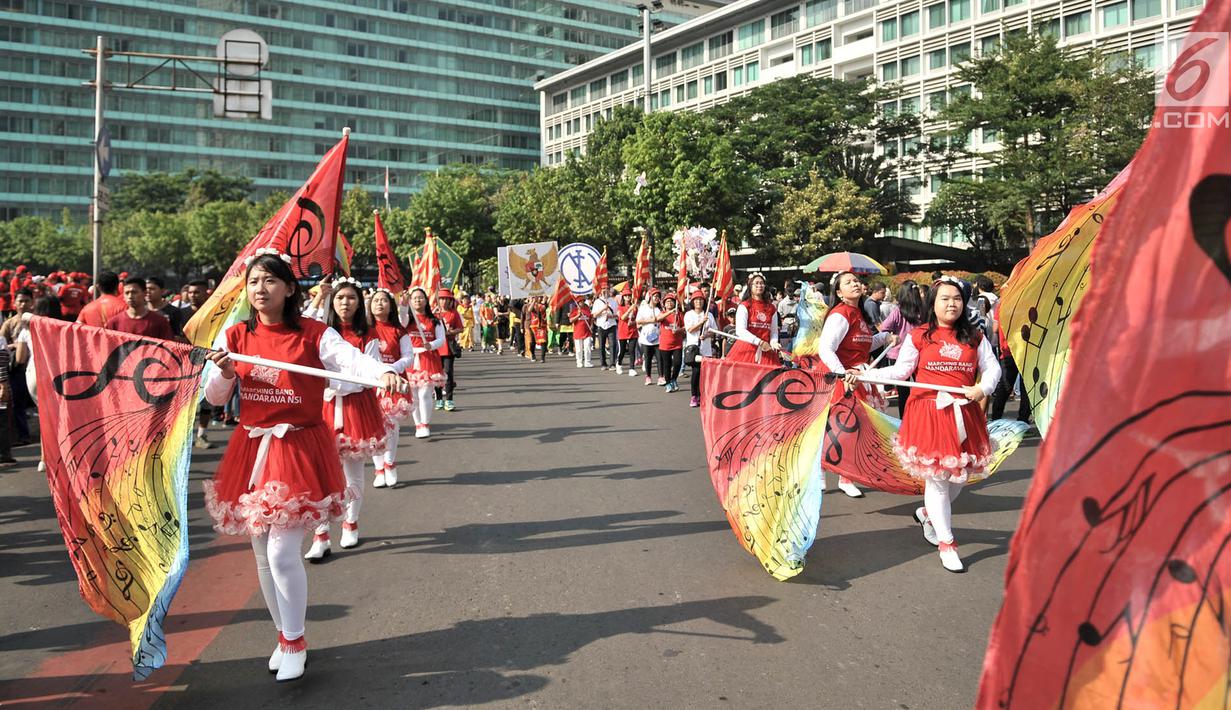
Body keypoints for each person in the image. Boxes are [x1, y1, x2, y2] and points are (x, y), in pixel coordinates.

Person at [202, 251, 402, 681]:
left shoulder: (314, 333)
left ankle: (296, 640)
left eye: (270, 281)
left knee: (281, 550)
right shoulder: (234, 335)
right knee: (260, 552)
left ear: (289, 288)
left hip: (298, 447)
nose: (260, 289)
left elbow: (350, 361)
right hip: (252, 448)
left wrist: (381, 372)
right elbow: (215, 398)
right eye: (254, 282)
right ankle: (282, 635)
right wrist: (223, 373)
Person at [860, 277, 1001, 573]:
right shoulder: (920, 336)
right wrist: (864, 374)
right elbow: (901, 370)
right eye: (945, 299)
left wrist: (983, 388)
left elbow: (993, 368)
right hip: (929, 414)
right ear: (932, 304)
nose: (951, 304)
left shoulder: (975, 336)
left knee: (958, 480)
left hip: (965, 413)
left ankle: (927, 513)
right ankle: (947, 543)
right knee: (937, 481)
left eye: (957, 299)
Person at [300, 277, 390, 561]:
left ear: (359, 302)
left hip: (355, 407)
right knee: (320, 473)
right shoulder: (320, 331)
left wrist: (339, 384)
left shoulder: (368, 334)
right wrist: (316, 299)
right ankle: (321, 533)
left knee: (352, 472)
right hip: (323, 408)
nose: (345, 303)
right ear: (331, 301)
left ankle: (351, 522)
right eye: (339, 298)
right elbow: (297, 327)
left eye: (351, 298)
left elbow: (368, 374)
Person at [816, 271, 896, 498]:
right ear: (839, 293)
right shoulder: (840, 314)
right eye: (848, 283)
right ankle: (820, 472)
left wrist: (885, 338)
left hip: (858, 377)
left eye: (856, 281)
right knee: (833, 428)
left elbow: (863, 346)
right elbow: (826, 348)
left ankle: (846, 477)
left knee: (854, 430)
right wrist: (842, 374)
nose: (855, 284)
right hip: (839, 379)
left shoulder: (858, 314)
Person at [367, 288, 413, 487]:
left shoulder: (398, 330)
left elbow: (408, 357)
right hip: (370, 385)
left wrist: (391, 369)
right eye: (375, 300)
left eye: (384, 300)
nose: (379, 304)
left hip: (393, 385)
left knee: (392, 427)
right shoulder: (364, 330)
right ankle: (378, 468)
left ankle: (390, 463)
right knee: (373, 428)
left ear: (390, 305)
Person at [878, 281, 926, 417]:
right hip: (919, 353)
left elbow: (884, 328)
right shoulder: (923, 311)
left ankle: (904, 419)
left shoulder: (898, 311)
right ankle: (921, 416)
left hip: (897, 354)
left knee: (903, 391)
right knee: (922, 387)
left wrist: (893, 336)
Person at [404, 286, 446, 438]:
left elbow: (441, 339)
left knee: (425, 393)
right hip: (411, 359)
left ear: (426, 300)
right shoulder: (407, 320)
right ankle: (418, 425)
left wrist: (431, 345)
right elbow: (401, 321)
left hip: (428, 358)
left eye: (420, 297)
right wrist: (403, 305)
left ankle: (425, 423)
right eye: (414, 298)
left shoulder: (435, 320)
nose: (417, 300)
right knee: (413, 395)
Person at [725, 273, 782, 365]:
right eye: (756, 283)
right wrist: (759, 342)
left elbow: (774, 331)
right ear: (750, 286)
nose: (759, 285)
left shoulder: (771, 308)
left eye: (762, 283)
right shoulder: (744, 306)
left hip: (766, 351)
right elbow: (740, 331)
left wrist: (774, 342)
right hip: (747, 350)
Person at [0, 289, 33, 446]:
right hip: (17, 368)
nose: (23, 304)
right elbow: (2, 345)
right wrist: (16, 345)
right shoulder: (9, 323)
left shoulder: (38, 321)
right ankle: (22, 435)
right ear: (14, 303)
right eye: (20, 301)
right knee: (18, 404)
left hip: (35, 367)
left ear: (32, 302)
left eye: (26, 301)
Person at [106, 276, 174, 339]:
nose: (130, 296)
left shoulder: (160, 322)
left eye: (134, 292)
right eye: (127, 293)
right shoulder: (113, 323)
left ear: (144, 293)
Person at [683, 290, 717, 407]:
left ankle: (703, 395)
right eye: (696, 300)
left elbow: (714, 331)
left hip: (706, 348)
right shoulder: (689, 314)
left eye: (701, 300)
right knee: (696, 372)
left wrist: (707, 335)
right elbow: (690, 329)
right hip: (694, 348)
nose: (699, 302)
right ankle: (694, 396)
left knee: (706, 374)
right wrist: (701, 322)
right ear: (693, 302)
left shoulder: (709, 315)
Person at [433, 289, 463, 411]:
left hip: (448, 348)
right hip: (435, 348)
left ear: (450, 300)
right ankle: (439, 399)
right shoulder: (433, 314)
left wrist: (450, 332)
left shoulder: (453, 314)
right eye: (442, 298)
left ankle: (449, 400)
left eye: (446, 299)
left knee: (448, 373)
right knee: (436, 375)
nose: (444, 301)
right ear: (438, 300)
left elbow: (460, 328)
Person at [635, 289, 663, 386]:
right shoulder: (643, 308)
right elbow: (638, 321)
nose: (657, 298)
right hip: (646, 338)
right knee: (648, 358)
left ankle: (661, 377)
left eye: (658, 296)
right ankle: (648, 376)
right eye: (655, 296)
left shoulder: (659, 309)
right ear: (650, 297)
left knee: (660, 358)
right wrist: (651, 320)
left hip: (658, 337)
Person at [657, 293, 684, 392]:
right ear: (664, 304)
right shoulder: (663, 313)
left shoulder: (679, 314)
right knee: (667, 365)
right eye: (667, 301)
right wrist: (671, 312)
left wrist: (679, 330)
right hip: (665, 344)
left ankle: (674, 379)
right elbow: (658, 319)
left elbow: (685, 327)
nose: (669, 303)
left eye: (671, 301)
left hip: (677, 344)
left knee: (677, 363)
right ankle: (668, 383)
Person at [592, 287, 618, 370]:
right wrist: (603, 309)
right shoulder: (597, 302)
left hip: (611, 325)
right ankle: (603, 364)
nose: (605, 291)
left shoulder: (613, 301)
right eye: (603, 289)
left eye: (606, 289)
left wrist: (611, 316)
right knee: (601, 346)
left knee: (613, 345)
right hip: (601, 325)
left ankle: (612, 364)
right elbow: (594, 315)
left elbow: (618, 315)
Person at [616, 288, 638, 376]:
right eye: (626, 296)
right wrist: (629, 310)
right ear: (623, 297)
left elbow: (638, 319)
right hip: (623, 331)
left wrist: (633, 322)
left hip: (633, 331)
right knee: (622, 351)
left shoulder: (635, 307)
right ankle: (619, 364)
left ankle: (632, 369)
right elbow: (622, 318)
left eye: (629, 295)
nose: (628, 297)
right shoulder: (620, 307)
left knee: (632, 350)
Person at [570, 295, 594, 368]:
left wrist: (591, 326)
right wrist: (578, 315)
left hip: (587, 332)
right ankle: (579, 362)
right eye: (580, 301)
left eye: (583, 301)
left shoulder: (587, 309)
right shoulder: (574, 310)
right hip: (578, 332)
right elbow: (571, 320)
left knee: (587, 347)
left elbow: (591, 318)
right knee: (579, 349)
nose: (582, 302)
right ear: (577, 302)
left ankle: (587, 361)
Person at [526, 298, 548, 363]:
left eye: (538, 297)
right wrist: (533, 302)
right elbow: (529, 310)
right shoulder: (531, 305)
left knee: (543, 342)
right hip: (534, 326)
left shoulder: (542, 305)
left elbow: (545, 307)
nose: (537, 298)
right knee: (532, 342)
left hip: (542, 326)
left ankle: (542, 358)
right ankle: (533, 354)